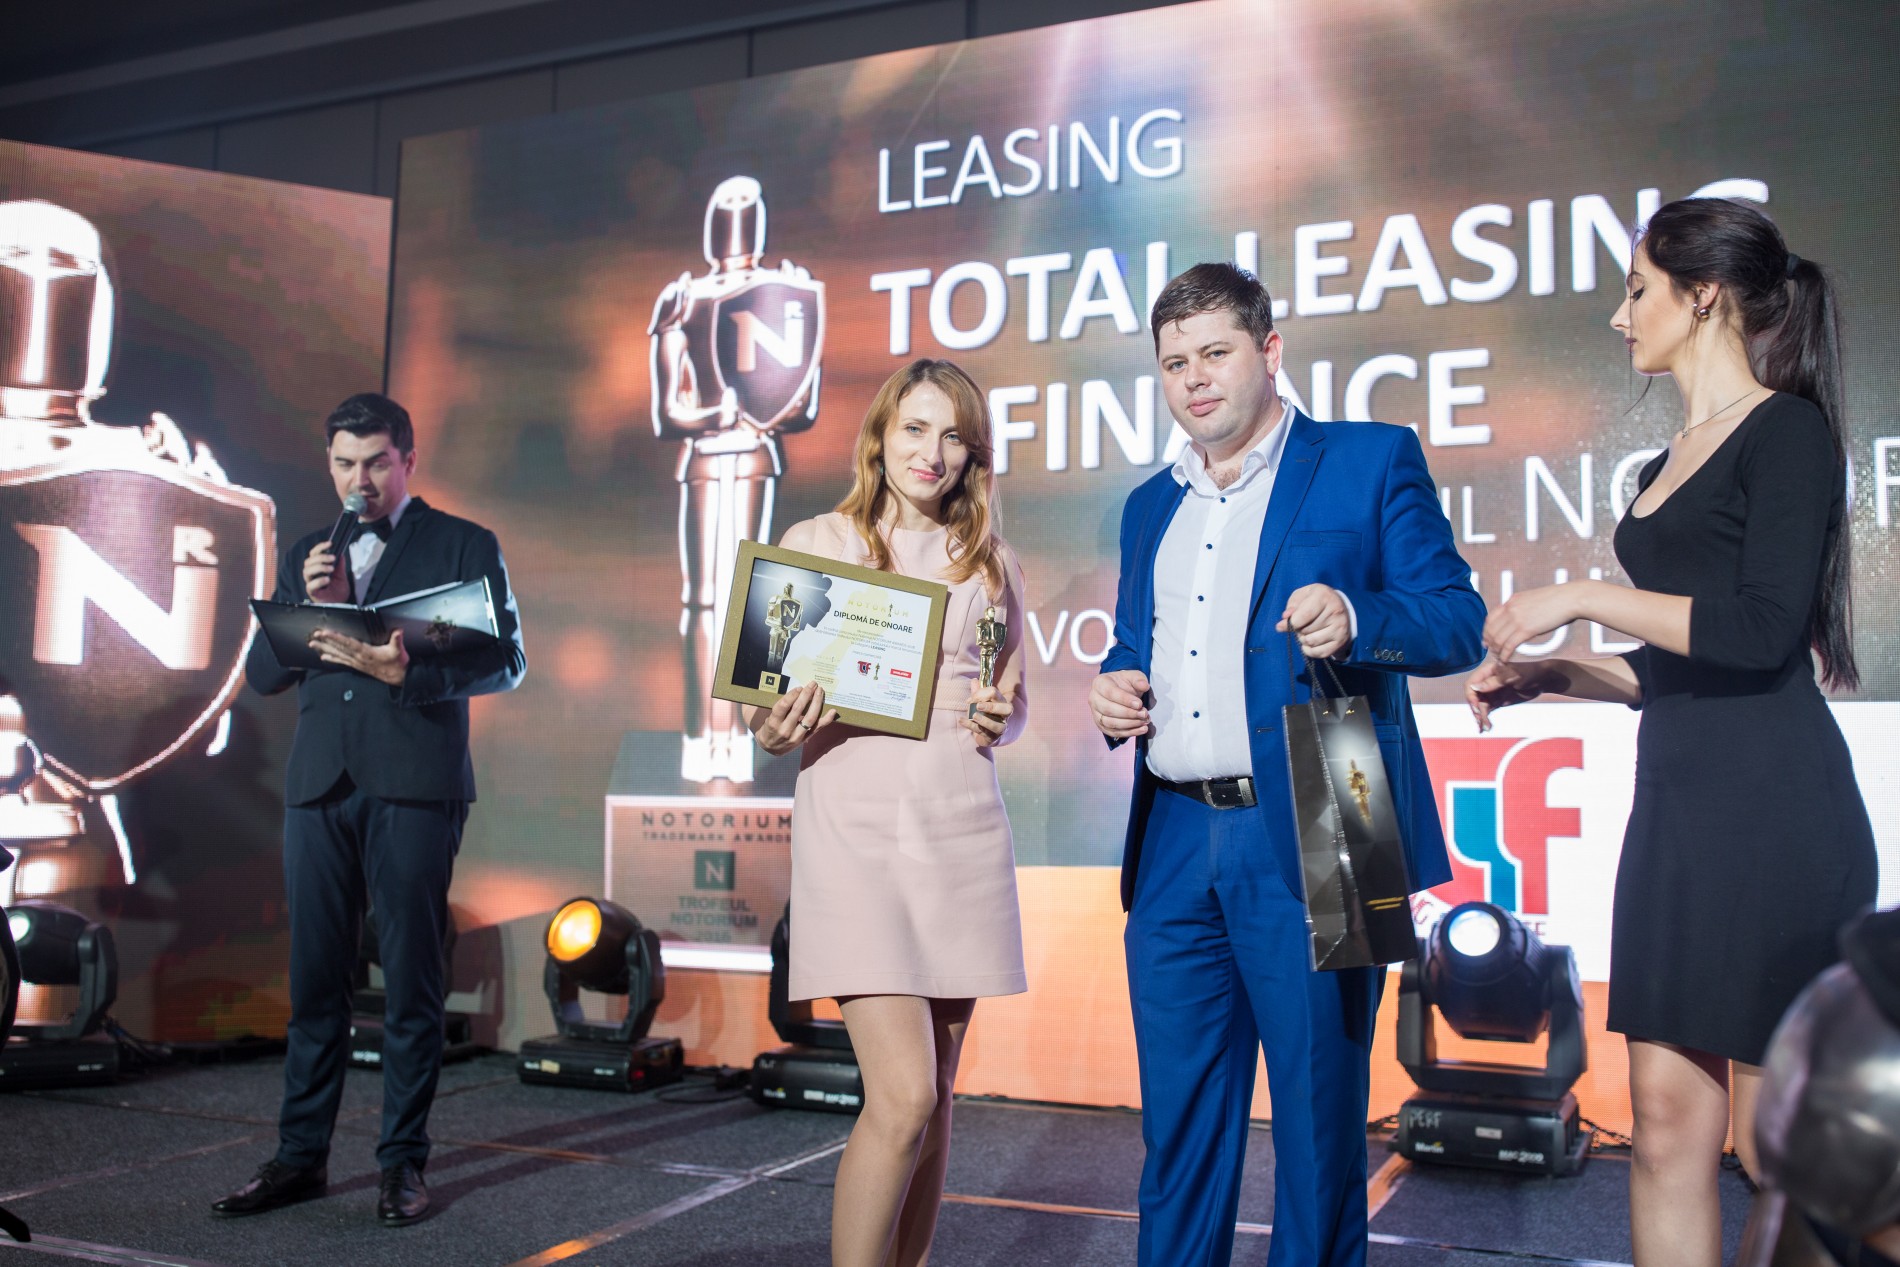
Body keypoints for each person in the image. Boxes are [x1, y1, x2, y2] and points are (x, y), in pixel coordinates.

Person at [1466, 197, 1877, 1267]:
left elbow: (1759, 632)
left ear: (1702, 296)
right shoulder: (1661, 465)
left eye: (1636, 288)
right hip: (1678, 821)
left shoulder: (1787, 432)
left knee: (1781, 1152)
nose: (1619, 316)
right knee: (1662, 1125)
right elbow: (1680, 668)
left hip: (1776, 817)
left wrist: (1580, 596)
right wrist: (1555, 674)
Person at [1089, 263, 1483, 1267]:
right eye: (1173, 362)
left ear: (1270, 352)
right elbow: (1138, 643)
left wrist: (1358, 615)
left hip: (1333, 803)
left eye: (1214, 352)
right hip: (1175, 829)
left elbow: (1457, 618)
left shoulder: (1369, 458)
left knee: (1317, 1129)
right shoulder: (1147, 505)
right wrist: (1113, 685)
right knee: (1177, 1129)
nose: (1193, 378)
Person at [214, 393, 526, 1227]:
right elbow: (265, 675)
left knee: (410, 981)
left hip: (414, 784)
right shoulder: (309, 552)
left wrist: (409, 674)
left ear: (407, 461)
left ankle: (401, 1164)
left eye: (377, 462)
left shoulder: (464, 543)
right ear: (331, 465)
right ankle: (299, 1157)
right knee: (316, 980)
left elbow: (507, 661)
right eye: (346, 464)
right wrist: (310, 597)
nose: (361, 480)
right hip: (320, 785)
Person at [744, 358, 1027, 1267]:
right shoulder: (817, 540)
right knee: (903, 1095)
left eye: (953, 436)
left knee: (936, 1099)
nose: (931, 452)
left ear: (973, 453)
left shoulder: (990, 561)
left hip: (961, 828)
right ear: (881, 434)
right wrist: (771, 723)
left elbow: (1011, 699)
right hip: (856, 833)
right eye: (914, 428)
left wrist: (1002, 713)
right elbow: (758, 705)